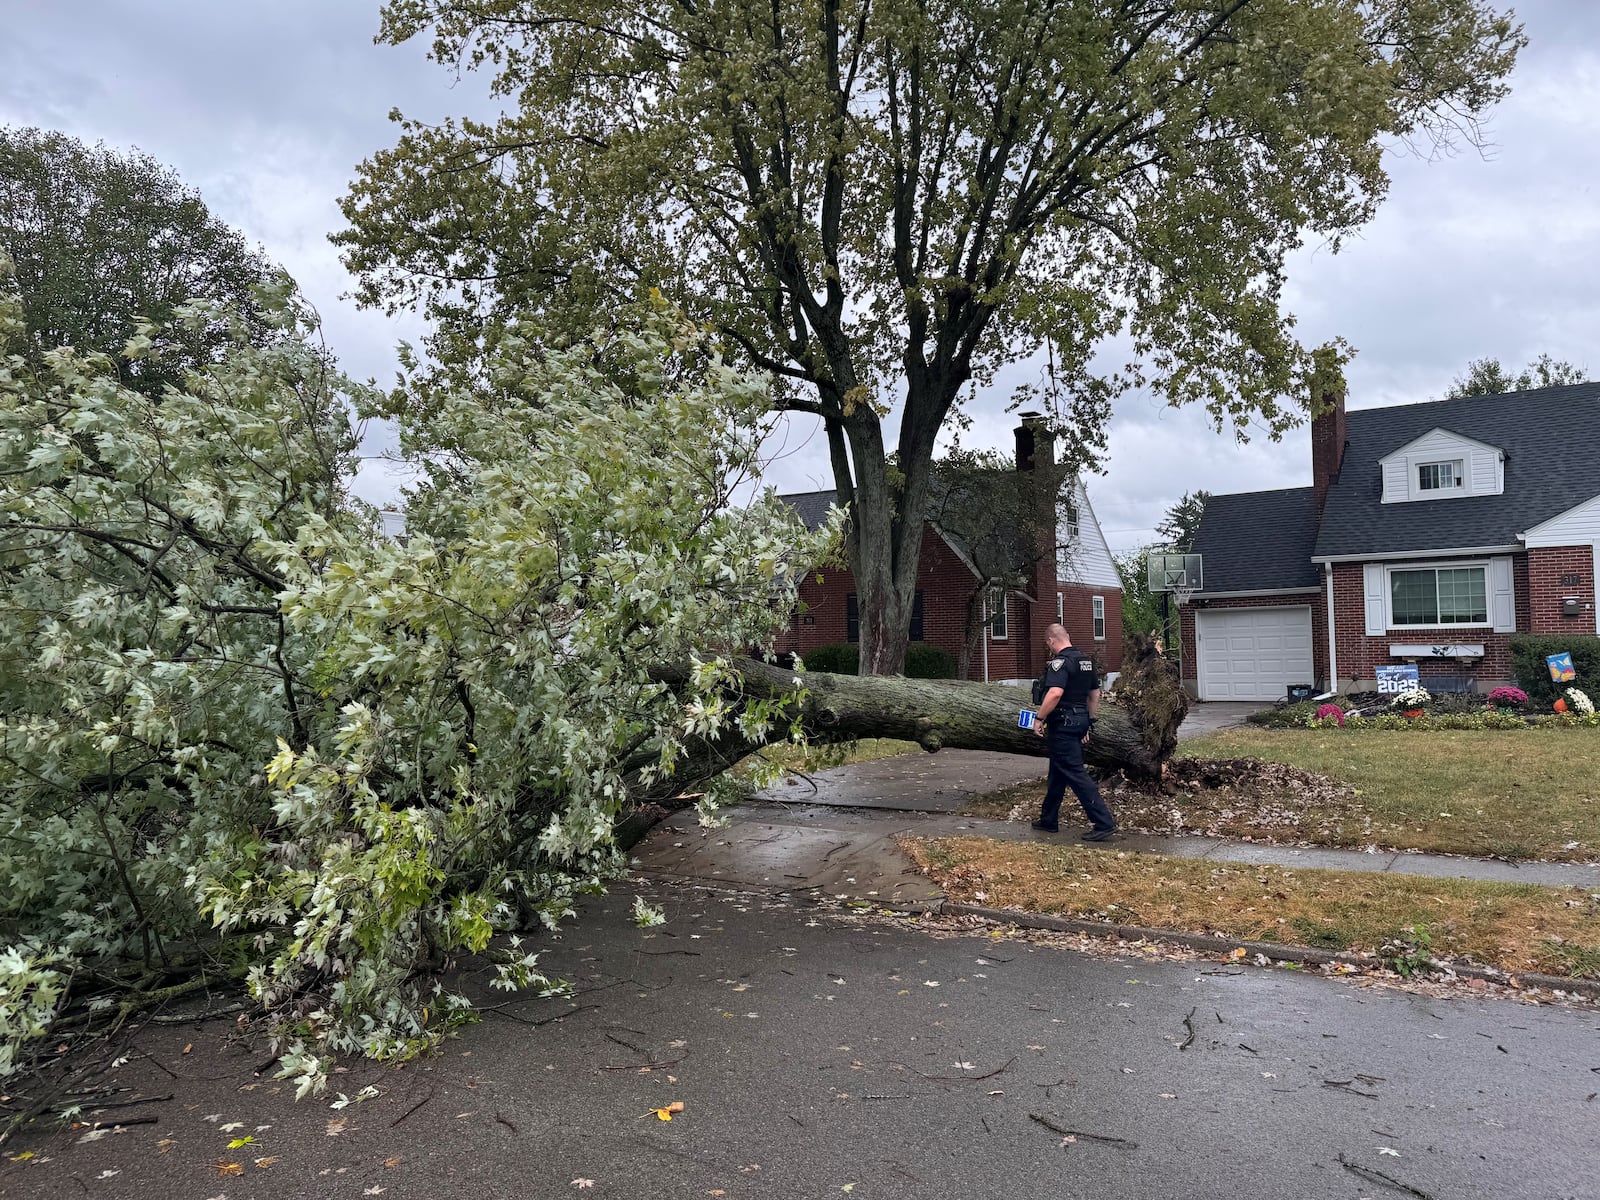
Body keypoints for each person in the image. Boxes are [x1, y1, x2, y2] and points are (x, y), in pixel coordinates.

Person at [1030, 623, 1117, 840]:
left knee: (1076, 774)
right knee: (1058, 773)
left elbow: (1055, 693)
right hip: (1079, 721)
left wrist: (1039, 718)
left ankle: (1103, 823)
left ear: (1051, 641)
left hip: (1063, 724)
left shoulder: (1060, 663)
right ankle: (1048, 819)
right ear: (1067, 636)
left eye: (1048, 644)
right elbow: (1095, 694)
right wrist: (1088, 722)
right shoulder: (1085, 661)